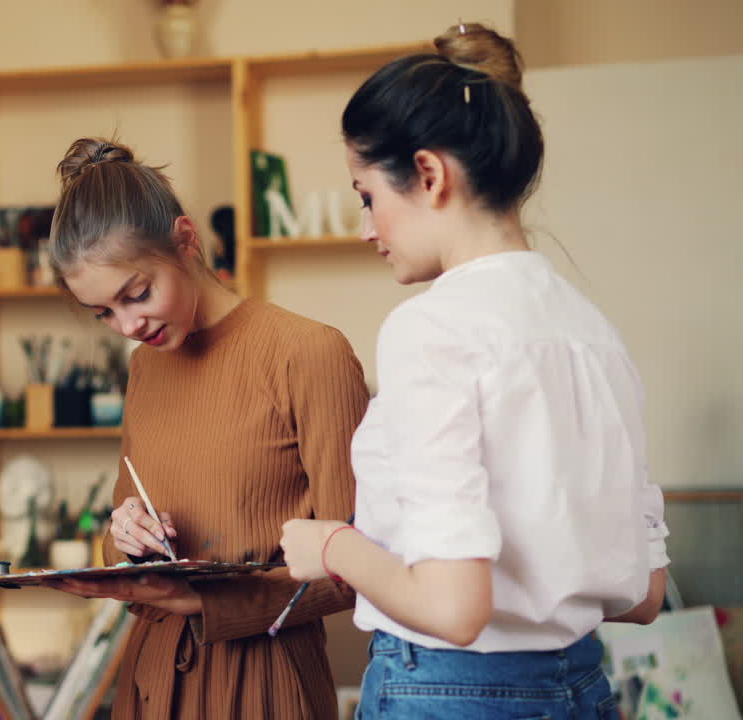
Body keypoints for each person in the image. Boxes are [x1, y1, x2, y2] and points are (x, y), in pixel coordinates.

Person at [279, 23, 670, 719]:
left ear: (429, 175)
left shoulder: (432, 330)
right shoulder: (594, 334)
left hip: (447, 691)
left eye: (367, 196)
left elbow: (454, 609)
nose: (367, 229)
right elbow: (645, 593)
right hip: (580, 687)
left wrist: (331, 544)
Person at [42, 137, 369, 718]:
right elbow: (119, 530)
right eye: (104, 313)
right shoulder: (146, 365)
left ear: (186, 240)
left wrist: (202, 603)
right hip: (147, 682)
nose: (127, 326)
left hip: (265, 683)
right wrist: (125, 535)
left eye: (137, 294)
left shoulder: (309, 352)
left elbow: (359, 564)